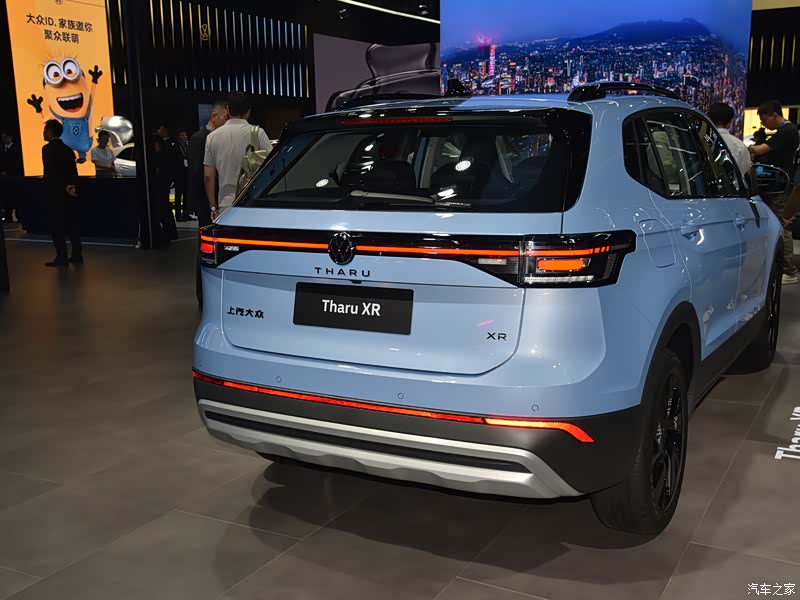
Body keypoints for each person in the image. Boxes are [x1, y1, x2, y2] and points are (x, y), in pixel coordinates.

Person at [750, 100, 800, 284]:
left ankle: (788, 270)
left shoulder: (787, 131)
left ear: (774, 115)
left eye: (764, 120)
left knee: (781, 224)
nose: (763, 125)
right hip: (778, 184)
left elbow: (760, 149)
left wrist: (746, 148)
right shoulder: (786, 131)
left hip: (782, 186)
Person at [204, 92, 270, 219]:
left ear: (228, 109)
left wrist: (212, 206)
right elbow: (271, 166)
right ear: (248, 112)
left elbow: (208, 176)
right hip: (253, 202)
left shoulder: (212, 137)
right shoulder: (258, 133)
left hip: (226, 203)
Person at [189, 101, 229, 306]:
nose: (226, 121)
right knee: (205, 251)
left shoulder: (218, 138)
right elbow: (198, 174)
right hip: (206, 204)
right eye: (224, 117)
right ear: (214, 116)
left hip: (217, 200)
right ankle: (203, 296)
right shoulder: (199, 139)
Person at [41, 119, 81, 267]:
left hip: (55, 192)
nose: (43, 133)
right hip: (69, 192)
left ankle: (61, 255)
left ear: (50, 132)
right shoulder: (68, 150)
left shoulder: (47, 149)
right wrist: (71, 186)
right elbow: (73, 172)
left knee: (57, 226)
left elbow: (50, 172)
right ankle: (77, 254)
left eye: (45, 130)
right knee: (72, 224)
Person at [708, 103, 751, 177]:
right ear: (729, 123)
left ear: (709, 119)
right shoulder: (739, 145)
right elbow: (744, 170)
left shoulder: (701, 140)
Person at [149, 135, 178, 244]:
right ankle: (169, 232)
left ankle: (167, 232)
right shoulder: (165, 155)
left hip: (161, 186)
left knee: (162, 209)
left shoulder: (159, 157)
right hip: (163, 186)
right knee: (165, 209)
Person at [1, 131, 23, 223]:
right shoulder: (2, 148)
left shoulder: (16, 149)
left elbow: (17, 164)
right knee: (6, 198)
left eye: (5, 137)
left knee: (16, 197)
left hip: (14, 177)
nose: (3, 139)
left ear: (9, 137)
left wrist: (8, 172)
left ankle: (19, 217)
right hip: (4, 179)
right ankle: (7, 217)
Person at [174, 130, 192, 221]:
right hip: (178, 174)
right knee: (178, 195)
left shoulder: (188, 146)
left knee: (187, 195)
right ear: (178, 137)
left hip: (187, 174)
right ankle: (178, 215)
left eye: (185, 135)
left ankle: (186, 213)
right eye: (182, 135)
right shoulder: (175, 147)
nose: (184, 136)